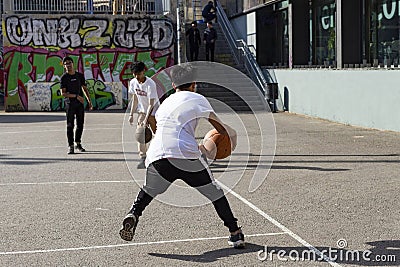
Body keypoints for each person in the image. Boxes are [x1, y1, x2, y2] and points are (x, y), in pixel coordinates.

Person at [119, 64, 245, 249]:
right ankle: (235, 233)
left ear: (173, 83)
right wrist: (228, 137)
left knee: (149, 190)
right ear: (193, 84)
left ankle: (134, 212)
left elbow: (155, 124)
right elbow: (220, 130)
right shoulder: (197, 98)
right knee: (215, 193)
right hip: (186, 155)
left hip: (158, 153)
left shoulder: (166, 102)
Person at [60, 56, 93, 155]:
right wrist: (76, 96)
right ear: (64, 66)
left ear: (73, 64)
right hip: (70, 104)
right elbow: (63, 93)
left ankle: (78, 143)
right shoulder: (64, 78)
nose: (68, 65)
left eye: (70, 63)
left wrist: (89, 101)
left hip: (80, 104)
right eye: (66, 64)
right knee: (70, 125)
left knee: (80, 124)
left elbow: (84, 88)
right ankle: (70, 146)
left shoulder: (79, 76)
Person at [128, 61, 158, 169]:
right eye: (134, 74)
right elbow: (135, 99)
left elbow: (151, 104)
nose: (137, 76)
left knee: (156, 134)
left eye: (139, 74)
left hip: (154, 111)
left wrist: (147, 119)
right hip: (142, 111)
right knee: (141, 134)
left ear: (144, 71)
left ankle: (158, 157)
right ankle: (143, 157)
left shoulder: (150, 84)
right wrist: (131, 114)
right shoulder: (133, 82)